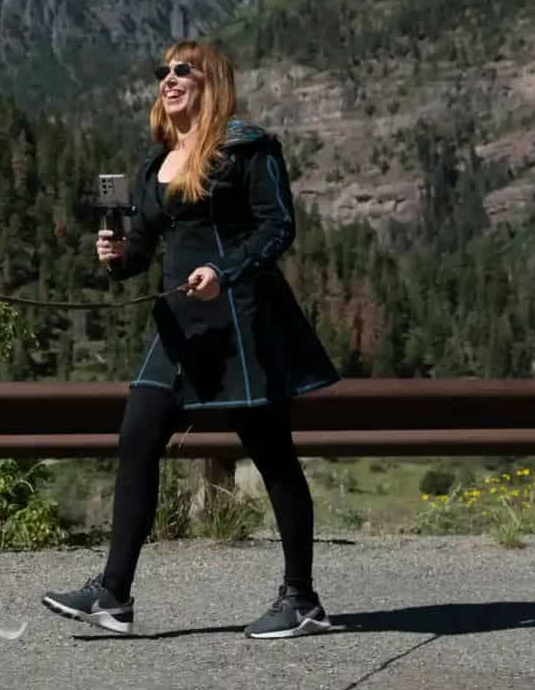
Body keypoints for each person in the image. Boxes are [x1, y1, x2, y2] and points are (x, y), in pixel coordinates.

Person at [40, 40, 342, 640]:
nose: (169, 80)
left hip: (241, 320)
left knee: (272, 454)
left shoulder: (246, 148)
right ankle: (114, 594)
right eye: (163, 72)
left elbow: (279, 226)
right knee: (137, 437)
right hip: (178, 325)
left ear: (212, 84)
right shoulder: (154, 168)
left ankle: (302, 598)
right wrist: (117, 256)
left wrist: (224, 272)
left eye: (184, 71)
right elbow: (142, 253)